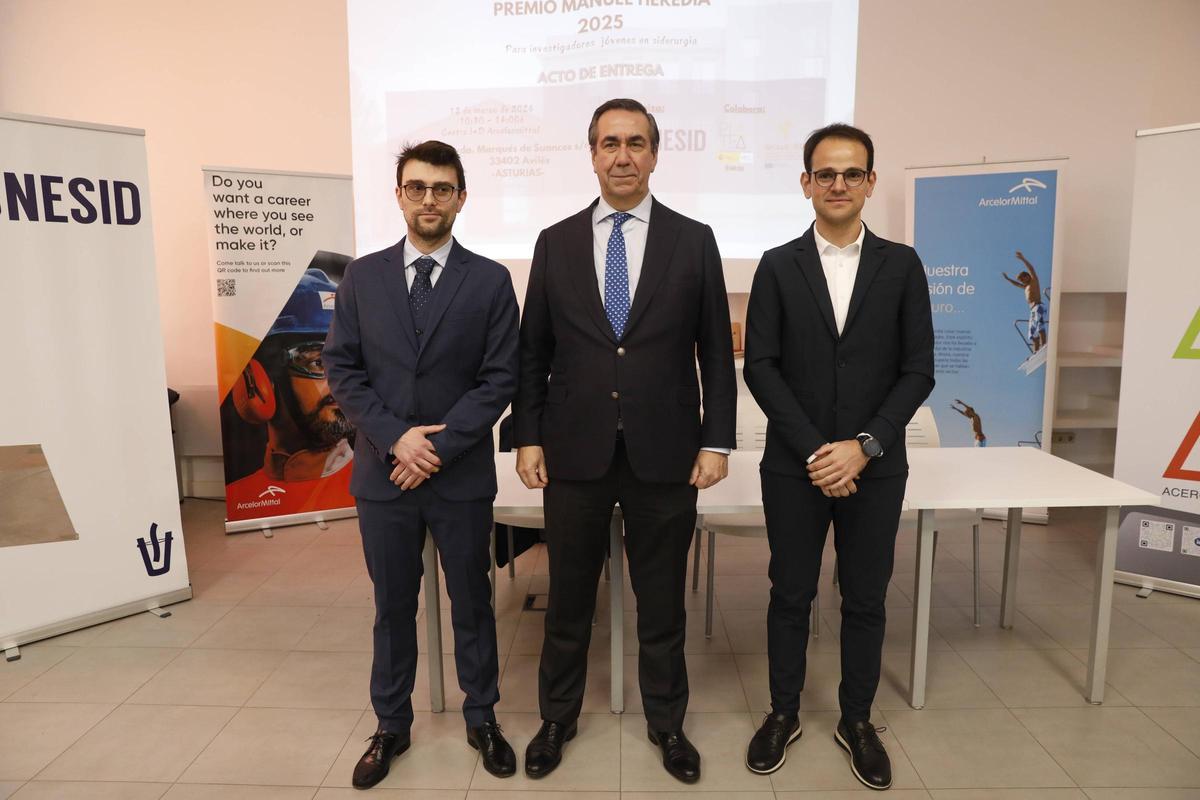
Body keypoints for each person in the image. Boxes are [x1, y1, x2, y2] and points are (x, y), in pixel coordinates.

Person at [512, 98, 736, 784]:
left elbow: (716, 356)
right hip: (574, 452)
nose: (622, 156)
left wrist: (717, 442)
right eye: (609, 142)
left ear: (656, 153)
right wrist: (527, 436)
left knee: (662, 603)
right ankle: (557, 719)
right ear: (591, 153)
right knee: (570, 601)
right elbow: (533, 351)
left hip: (666, 454)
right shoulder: (554, 241)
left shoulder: (693, 240)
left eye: (636, 142)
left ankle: (667, 725)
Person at [742, 123, 934, 790]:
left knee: (866, 598)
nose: (839, 184)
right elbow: (761, 368)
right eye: (825, 173)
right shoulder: (775, 264)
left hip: (876, 467)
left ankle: (857, 720)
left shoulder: (903, 265)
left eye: (852, 173)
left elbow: (918, 371)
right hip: (795, 467)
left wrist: (863, 446)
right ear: (805, 184)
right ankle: (783, 711)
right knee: (789, 594)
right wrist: (817, 451)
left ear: (870, 183)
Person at [324, 140, 521, 789]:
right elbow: (342, 370)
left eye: (442, 188)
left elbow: (499, 379)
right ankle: (391, 725)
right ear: (400, 194)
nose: (429, 198)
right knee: (392, 605)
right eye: (417, 187)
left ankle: (483, 717)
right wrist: (394, 439)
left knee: (472, 599)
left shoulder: (490, 281)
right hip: (383, 476)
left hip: (458, 474)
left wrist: (432, 447)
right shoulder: (363, 276)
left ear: (461, 197)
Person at [225, 267, 355, 516]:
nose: (341, 383)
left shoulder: (376, 487)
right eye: (318, 363)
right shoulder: (242, 495)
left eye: (349, 362)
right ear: (261, 381)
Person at [1002, 250, 1046, 353]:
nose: (1022, 282)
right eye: (1021, 281)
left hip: (1038, 306)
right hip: (1032, 310)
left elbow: (1031, 269)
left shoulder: (1034, 281)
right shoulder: (1026, 286)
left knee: (1040, 327)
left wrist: (1022, 259)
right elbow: (1016, 284)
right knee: (1032, 333)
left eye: (1022, 279)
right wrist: (1008, 279)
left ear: (1027, 276)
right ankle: (1036, 352)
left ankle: (1044, 345)